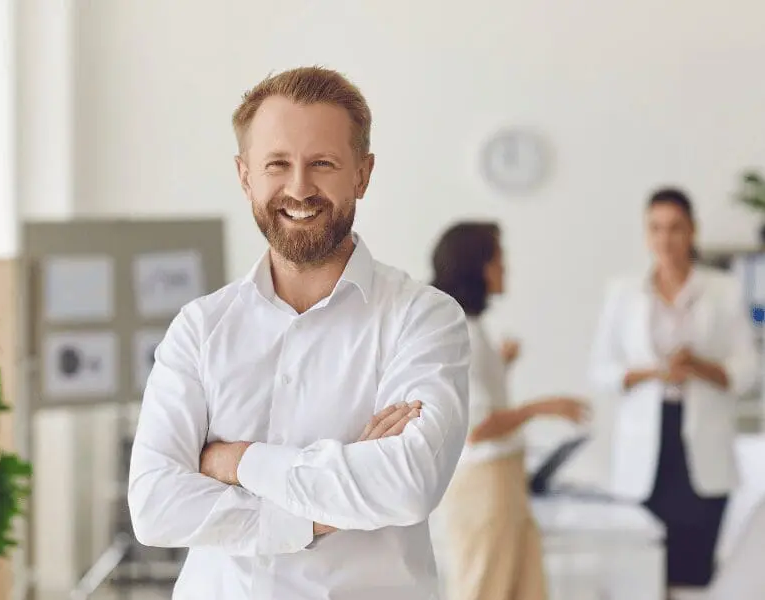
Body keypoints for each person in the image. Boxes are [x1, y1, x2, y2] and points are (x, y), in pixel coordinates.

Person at [127, 66, 471, 600]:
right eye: (277, 164)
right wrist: (323, 513)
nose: (298, 188)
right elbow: (155, 507)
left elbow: (407, 484)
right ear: (245, 176)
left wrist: (236, 461)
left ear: (362, 174)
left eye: (322, 164)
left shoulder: (423, 318)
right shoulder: (200, 328)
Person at [589, 188, 758, 593]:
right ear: (646, 233)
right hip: (646, 449)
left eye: (675, 228)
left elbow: (749, 372)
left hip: (702, 452)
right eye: (656, 228)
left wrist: (698, 366)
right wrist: (653, 373)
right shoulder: (624, 292)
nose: (665, 239)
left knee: (693, 574)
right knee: (643, 573)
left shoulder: (724, 290)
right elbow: (601, 370)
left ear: (692, 231)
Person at [429, 222, 587, 600]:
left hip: (501, 481)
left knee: (521, 588)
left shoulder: (470, 326)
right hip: (485, 484)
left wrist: (500, 365)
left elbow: (473, 399)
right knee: (485, 589)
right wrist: (544, 407)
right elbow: (479, 427)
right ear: (477, 267)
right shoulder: (461, 330)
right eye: (498, 259)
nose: (505, 268)